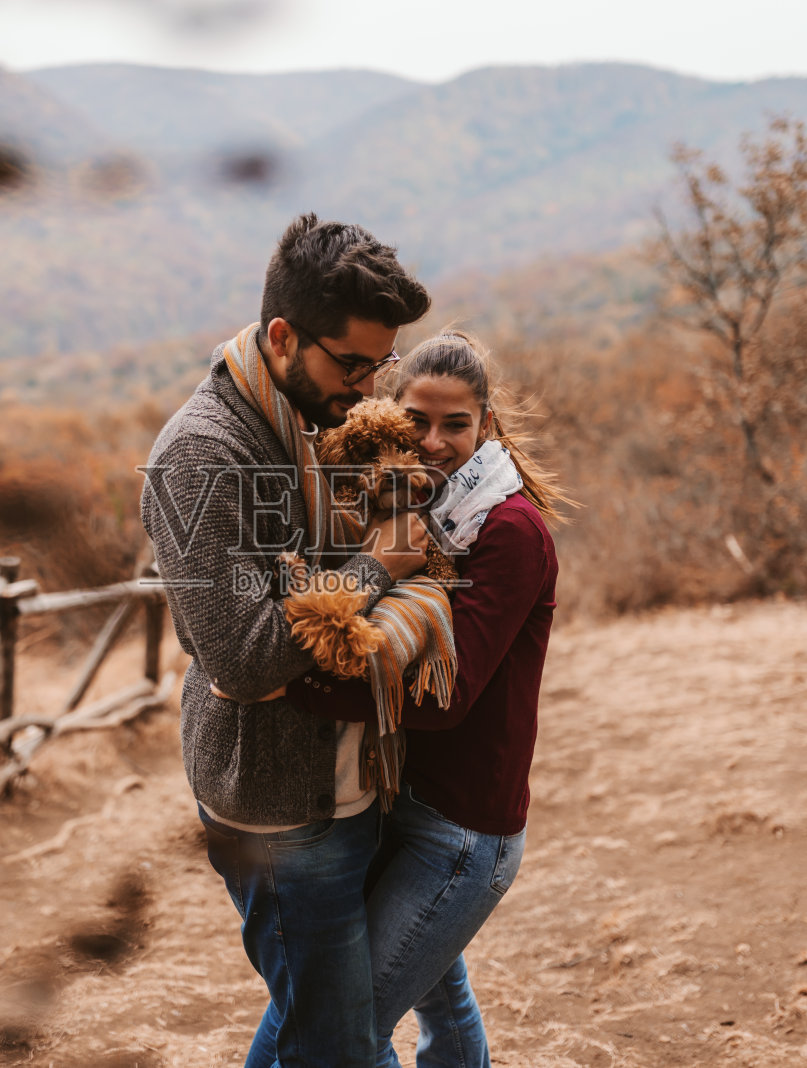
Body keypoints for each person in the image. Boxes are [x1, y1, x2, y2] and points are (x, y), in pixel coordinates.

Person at [139, 212, 432, 1068]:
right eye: (353, 364)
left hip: (348, 782)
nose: (369, 386)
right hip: (278, 812)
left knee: (321, 1032)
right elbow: (245, 655)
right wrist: (379, 566)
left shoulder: (303, 420)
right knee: (339, 1046)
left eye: (380, 364)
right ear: (279, 335)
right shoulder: (202, 456)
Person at [290, 329, 568, 1068]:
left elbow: (445, 698)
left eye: (457, 424)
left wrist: (299, 688)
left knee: (340, 1039)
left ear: (487, 425)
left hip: (461, 832)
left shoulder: (508, 531)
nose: (436, 443)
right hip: (402, 804)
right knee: (443, 1003)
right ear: (390, 415)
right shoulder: (410, 513)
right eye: (418, 421)